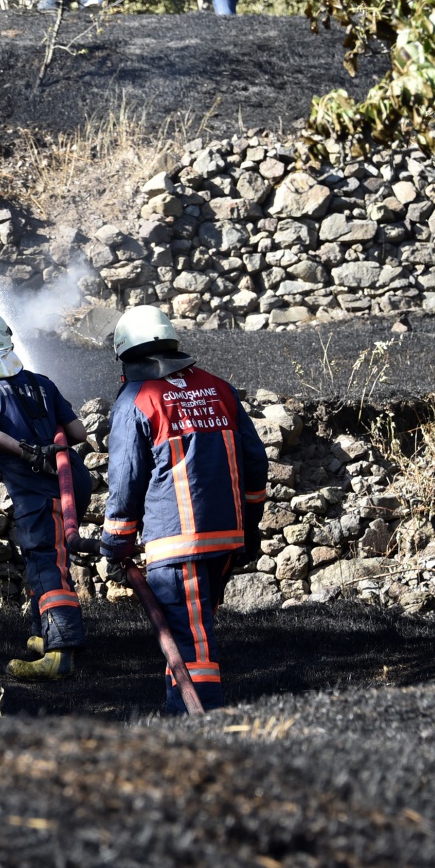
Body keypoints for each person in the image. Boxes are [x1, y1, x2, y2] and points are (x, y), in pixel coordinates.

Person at [99, 305, 267, 712]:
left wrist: (116, 545)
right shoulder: (218, 388)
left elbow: (125, 480)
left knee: (191, 646)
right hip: (226, 539)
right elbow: (256, 461)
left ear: (125, 353)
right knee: (191, 633)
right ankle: (179, 714)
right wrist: (250, 525)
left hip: (177, 545)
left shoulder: (137, 399)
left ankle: (199, 728)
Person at [0, 309, 93, 681]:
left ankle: (60, 653)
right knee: (41, 557)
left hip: (40, 492)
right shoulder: (41, 382)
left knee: (47, 563)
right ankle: (41, 634)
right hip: (72, 482)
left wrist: (25, 451)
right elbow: (78, 433)